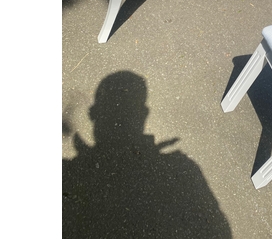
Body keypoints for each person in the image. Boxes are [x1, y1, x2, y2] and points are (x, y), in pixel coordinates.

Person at [62, 71, 232, 238]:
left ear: (93, 115)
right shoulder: (183, 170)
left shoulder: (69, 174)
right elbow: (219, 230)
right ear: (143, 114)